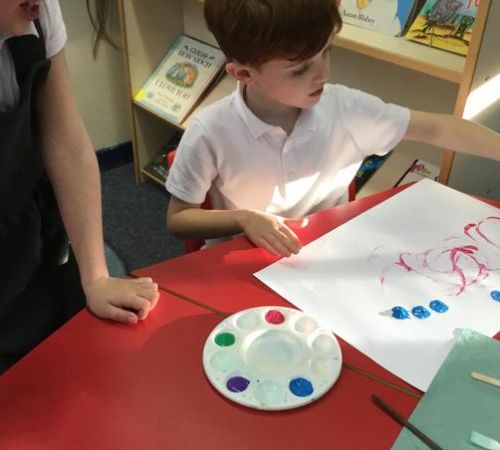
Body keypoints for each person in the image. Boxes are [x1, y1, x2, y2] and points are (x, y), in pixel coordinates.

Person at [166, 0, 500, 257]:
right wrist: (244, 219)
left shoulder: (346, 109)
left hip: (327, 254)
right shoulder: (210, 130)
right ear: (244, 74)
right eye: (300, 70)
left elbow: (438, 129)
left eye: (326, 52)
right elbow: (179, 219)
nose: (322, 74)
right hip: (241, 260)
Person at [0, 0, 159, 372]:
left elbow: (66, 141)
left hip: (30, 226)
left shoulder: (37, 9)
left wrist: (97, 276)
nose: (38, 5)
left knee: (70, 358)